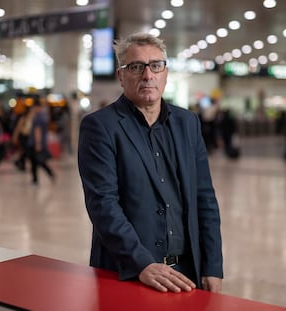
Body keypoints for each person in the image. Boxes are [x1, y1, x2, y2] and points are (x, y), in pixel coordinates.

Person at [78, 32, 223, 294]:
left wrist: (212, 265)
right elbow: (103, 205)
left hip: (187, 272)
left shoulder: (187, 124)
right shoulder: (100, 127)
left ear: (165, 72)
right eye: (136, 67)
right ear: (121, 76)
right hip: (128, 271)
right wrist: (142, 263)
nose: (148, 75)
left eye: (155, 65)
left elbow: (205, 199)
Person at [28, 98, 55, 185]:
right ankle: (35, 179)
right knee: (35, 161)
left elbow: (37, 131)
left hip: (36, 142)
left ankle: (47, 174)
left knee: (38, 160)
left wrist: (37, 143)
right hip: (40, 142)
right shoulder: (44, 116)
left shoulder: (38, 118)